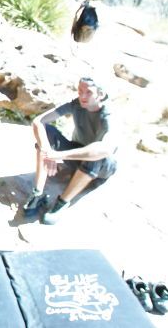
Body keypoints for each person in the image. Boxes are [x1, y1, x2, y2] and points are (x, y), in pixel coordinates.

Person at [22, 77, 118, 225]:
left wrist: (57, 155)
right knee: (47, 133)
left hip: (102, 166)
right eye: (80, 91)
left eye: (88, 92)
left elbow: (105, 149)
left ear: (100, 95)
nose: (82, 96)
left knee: (95, 154)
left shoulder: (109, 116)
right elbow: (39, 122)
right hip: (77, 154)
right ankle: (37, 193)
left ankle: (62, 202)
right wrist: (47, 152)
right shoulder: (76, 104)